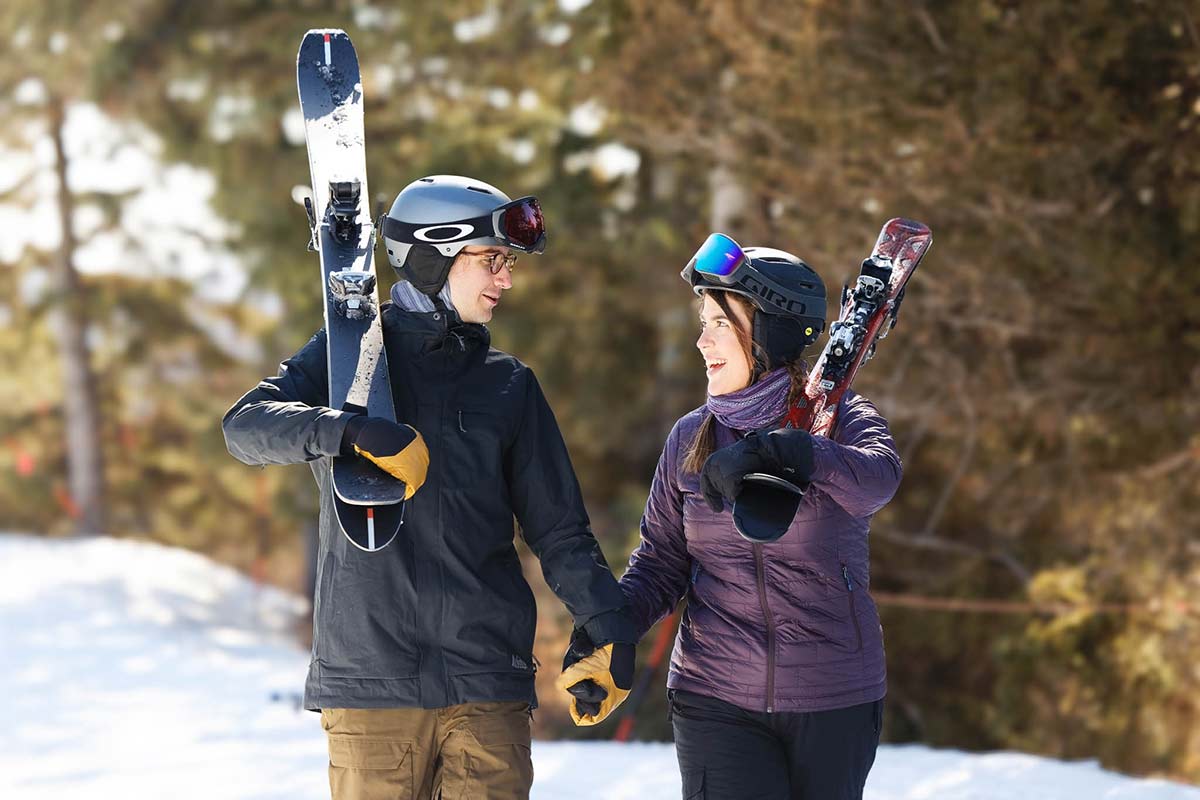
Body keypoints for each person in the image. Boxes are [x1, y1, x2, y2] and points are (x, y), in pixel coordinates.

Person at [222, 175, 635, 800]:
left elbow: (560, 531)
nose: (506, 279)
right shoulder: (346, 359)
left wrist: (607, 622)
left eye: (508, 264)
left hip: (486, 684)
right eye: (492, 260)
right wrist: (349, 431)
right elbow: (245, 427)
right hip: (372, 686)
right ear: (434, 256)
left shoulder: (508, 385)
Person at [618, 234, 902, 800]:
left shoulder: (842, 420)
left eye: (720, 324)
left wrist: (796, 452)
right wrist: (610, 627)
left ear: (771, 333)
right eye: (703, 323)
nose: (702, 341)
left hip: (832, 697)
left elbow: (878, 480)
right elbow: (660, 561)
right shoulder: (689, 437)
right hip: (714, 695)